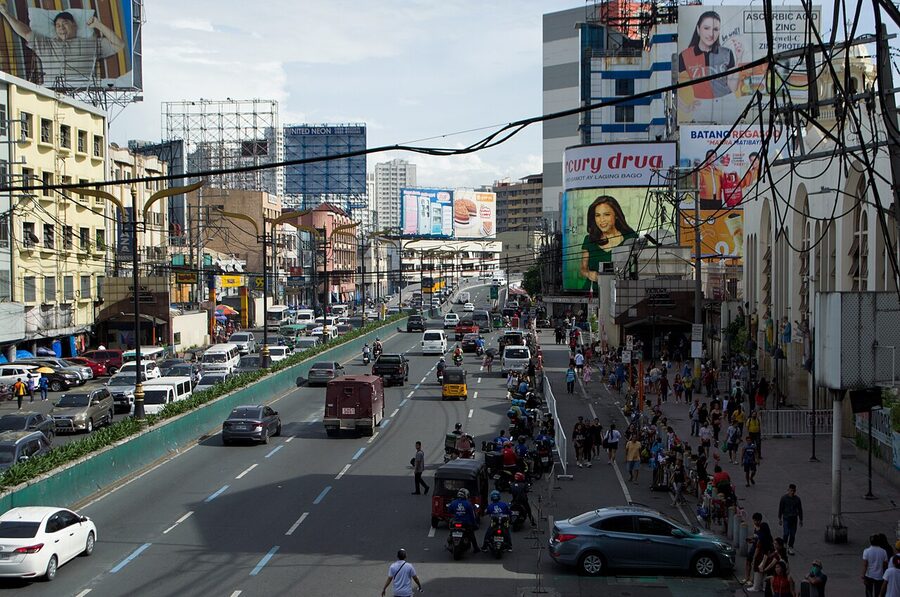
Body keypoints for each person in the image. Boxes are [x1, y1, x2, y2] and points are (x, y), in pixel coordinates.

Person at [0, 5, 126, 87]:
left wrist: (98, 25)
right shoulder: (47, 44)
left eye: (65, 24)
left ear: (74, 25)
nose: (61, 28)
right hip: (51, 92)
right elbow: (25, 32)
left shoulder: (90, 44)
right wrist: (5, 13)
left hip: (82, 92)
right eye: (58, 26)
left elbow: (119, 44)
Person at [578, 195, 638, 290]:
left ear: (616, 215)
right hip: (593, 292)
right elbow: (582, 269)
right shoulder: (589, 239)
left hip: (621, 292)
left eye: (606, 214)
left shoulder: (630, 238)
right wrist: (589, 274)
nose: (602, 220)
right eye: (597, 215)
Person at [447, 489, 480, 553]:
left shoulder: (454, 502)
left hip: (455, 522)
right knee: (471, 534)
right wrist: (474, 524)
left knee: (451, 531)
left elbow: (449, 511)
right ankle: (476, 548)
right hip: (466, 523)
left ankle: (450, 543)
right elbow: (472, 515)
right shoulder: (468, 504)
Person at [777, 484, 803, 555]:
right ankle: (784, 544)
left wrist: (801, 520)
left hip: (794, 519)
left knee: (792, 534)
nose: (792, 492)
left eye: (793, 491)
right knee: (786, 533)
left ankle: (790, 547)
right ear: (788, 490)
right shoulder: (784, 498)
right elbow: (781, 508)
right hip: (786, 518)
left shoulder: (797, 499)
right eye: (791, 490)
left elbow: (800, 510)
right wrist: (780, 518)